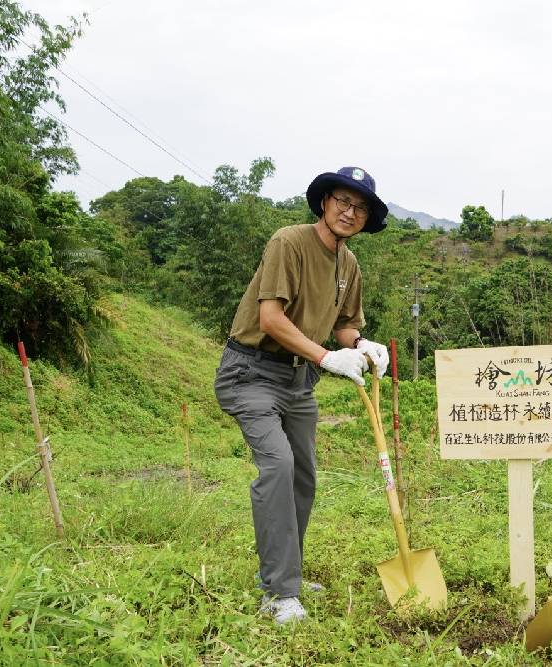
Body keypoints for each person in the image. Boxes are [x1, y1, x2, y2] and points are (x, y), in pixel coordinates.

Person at [214, 166, 391, 624]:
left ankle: (284, 572)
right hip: (251, 372)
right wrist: (326, 358)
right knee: (279, 466)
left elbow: (344, 324)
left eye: (360, 207)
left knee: (304, 477)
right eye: (342, 201)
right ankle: (278, 592)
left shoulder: (349, 264)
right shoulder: (288, 242)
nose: (349, 212)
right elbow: (271, 318)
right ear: (324, 202)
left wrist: (359, 344)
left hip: (298, 384)